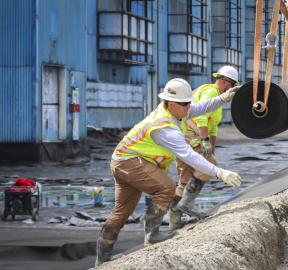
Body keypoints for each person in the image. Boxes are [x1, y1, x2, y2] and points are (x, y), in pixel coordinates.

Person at [95, 78, 242, 267]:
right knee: (165, 188)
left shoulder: (174, 111)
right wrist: (219, 172)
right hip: (130, 162)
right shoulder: (165, 128)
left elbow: (201, 107)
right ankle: (152, 235)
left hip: (121, 161)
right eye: (184, 103)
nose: (189, 106)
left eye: (189, 101)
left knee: (121, 211)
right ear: (171, 103)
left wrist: (223, 98)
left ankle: (102, 260)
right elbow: (190, 156)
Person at [169, 66, 240, 232]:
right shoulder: (212, 92)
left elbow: (212, 127)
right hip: (189, 136)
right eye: (231, 86)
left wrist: (211, 148)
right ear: (224, 82)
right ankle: (186, 203)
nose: (231, 91)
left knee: (185, 177)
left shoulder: (215, 98)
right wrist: (205, 141)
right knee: (209, 167)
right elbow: (200, 116)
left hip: (186, 136)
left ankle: (174, 222)